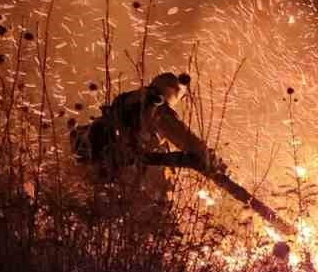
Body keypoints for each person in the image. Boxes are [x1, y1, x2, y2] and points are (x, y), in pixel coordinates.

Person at [74, 72, 222, 199]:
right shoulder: (157, 109)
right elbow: (187, 140)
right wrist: (211, 159)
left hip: (105, 173)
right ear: (173, 92)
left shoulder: (128, 99)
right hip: (133, 178)